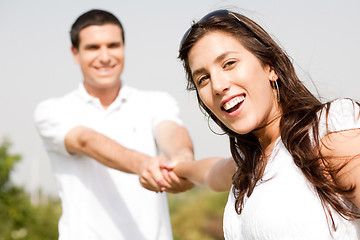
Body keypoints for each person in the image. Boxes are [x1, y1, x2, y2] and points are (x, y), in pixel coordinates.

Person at [166, 9, 360, 239]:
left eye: (229, 63)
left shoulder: (327, 129)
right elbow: (208, 172)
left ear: (270, 67)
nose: (217, 85)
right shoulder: (246, 170)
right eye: (203, 79)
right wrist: (174, 169)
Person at [34, 9, 194, 240]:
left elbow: (171, 130)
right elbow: (85, 140)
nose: (105, 56)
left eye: (113, 45)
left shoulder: (156, 101)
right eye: (93, 48)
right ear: (75, 53)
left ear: (124, 47)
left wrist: (183, 161)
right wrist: (143, 165)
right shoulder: (52, 110)